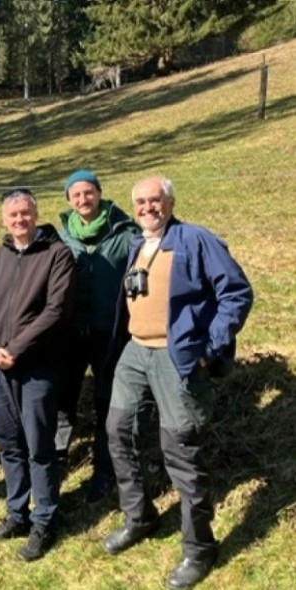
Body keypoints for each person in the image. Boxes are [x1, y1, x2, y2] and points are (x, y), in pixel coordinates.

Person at [101, 176, 252, 590]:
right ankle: (140, 518)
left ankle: (199, 548)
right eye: (141, 203)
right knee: (118, 431)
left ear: (170, 202)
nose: (148, 208)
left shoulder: (194, 239)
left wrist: (210, 346)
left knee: (181, 450)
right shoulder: (137, 244)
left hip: (176, 357)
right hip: (135, 353)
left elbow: (237, 292)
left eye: (156, 200)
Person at [0, 189, 76, 561]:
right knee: (8, 442)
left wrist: (14, 349)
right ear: (3, 219)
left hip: (37, 367)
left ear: (36, 215)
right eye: (13, 215)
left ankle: (44, 521)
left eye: (25, 214)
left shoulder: (56, 254)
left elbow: (55, 312)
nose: (20, 220)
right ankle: (17, 514)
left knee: (39, 446)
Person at [54, 169, 140, 503]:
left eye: (88, 192)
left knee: (107, 401)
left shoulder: (126, 232)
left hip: (110, 331)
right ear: (69, 200)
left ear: (99, 194)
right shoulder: (62, 236)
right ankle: (57, 461)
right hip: (71, 332)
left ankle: (104, 470)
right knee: (64, 398)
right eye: (75, 194)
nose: (82, 199)